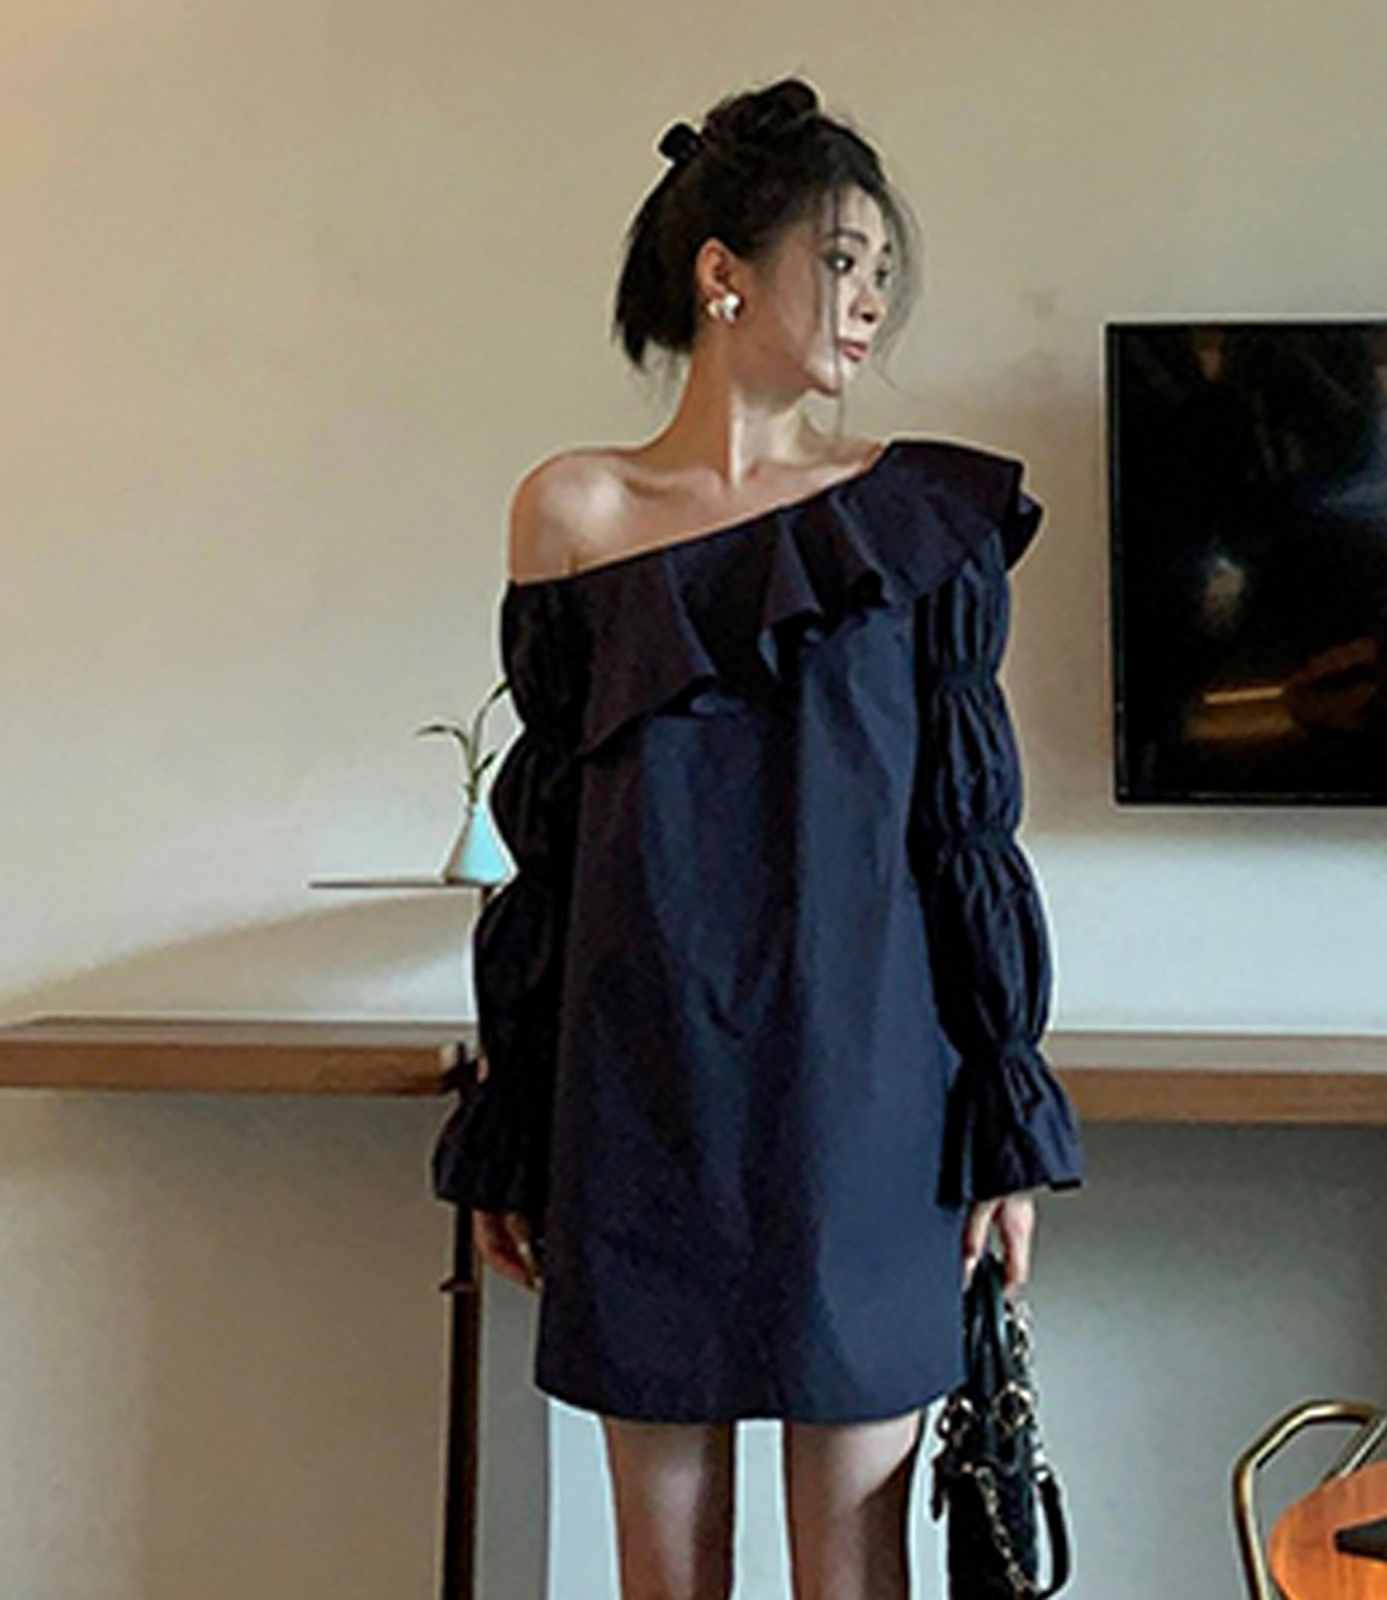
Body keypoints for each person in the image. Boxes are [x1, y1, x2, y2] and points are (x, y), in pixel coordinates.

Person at [433, 77, 1083, 1600]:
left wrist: (1005, 1120)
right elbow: (549, 849)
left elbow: (967, 838)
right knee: (666, 1575)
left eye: (880, 272)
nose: (869, 303)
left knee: (853, 1575)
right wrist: (514, 1119)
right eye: (840, 261)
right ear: (722, 272)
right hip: (639, 1093)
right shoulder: (572, 513)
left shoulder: (920, 519)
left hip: (867, 1102)